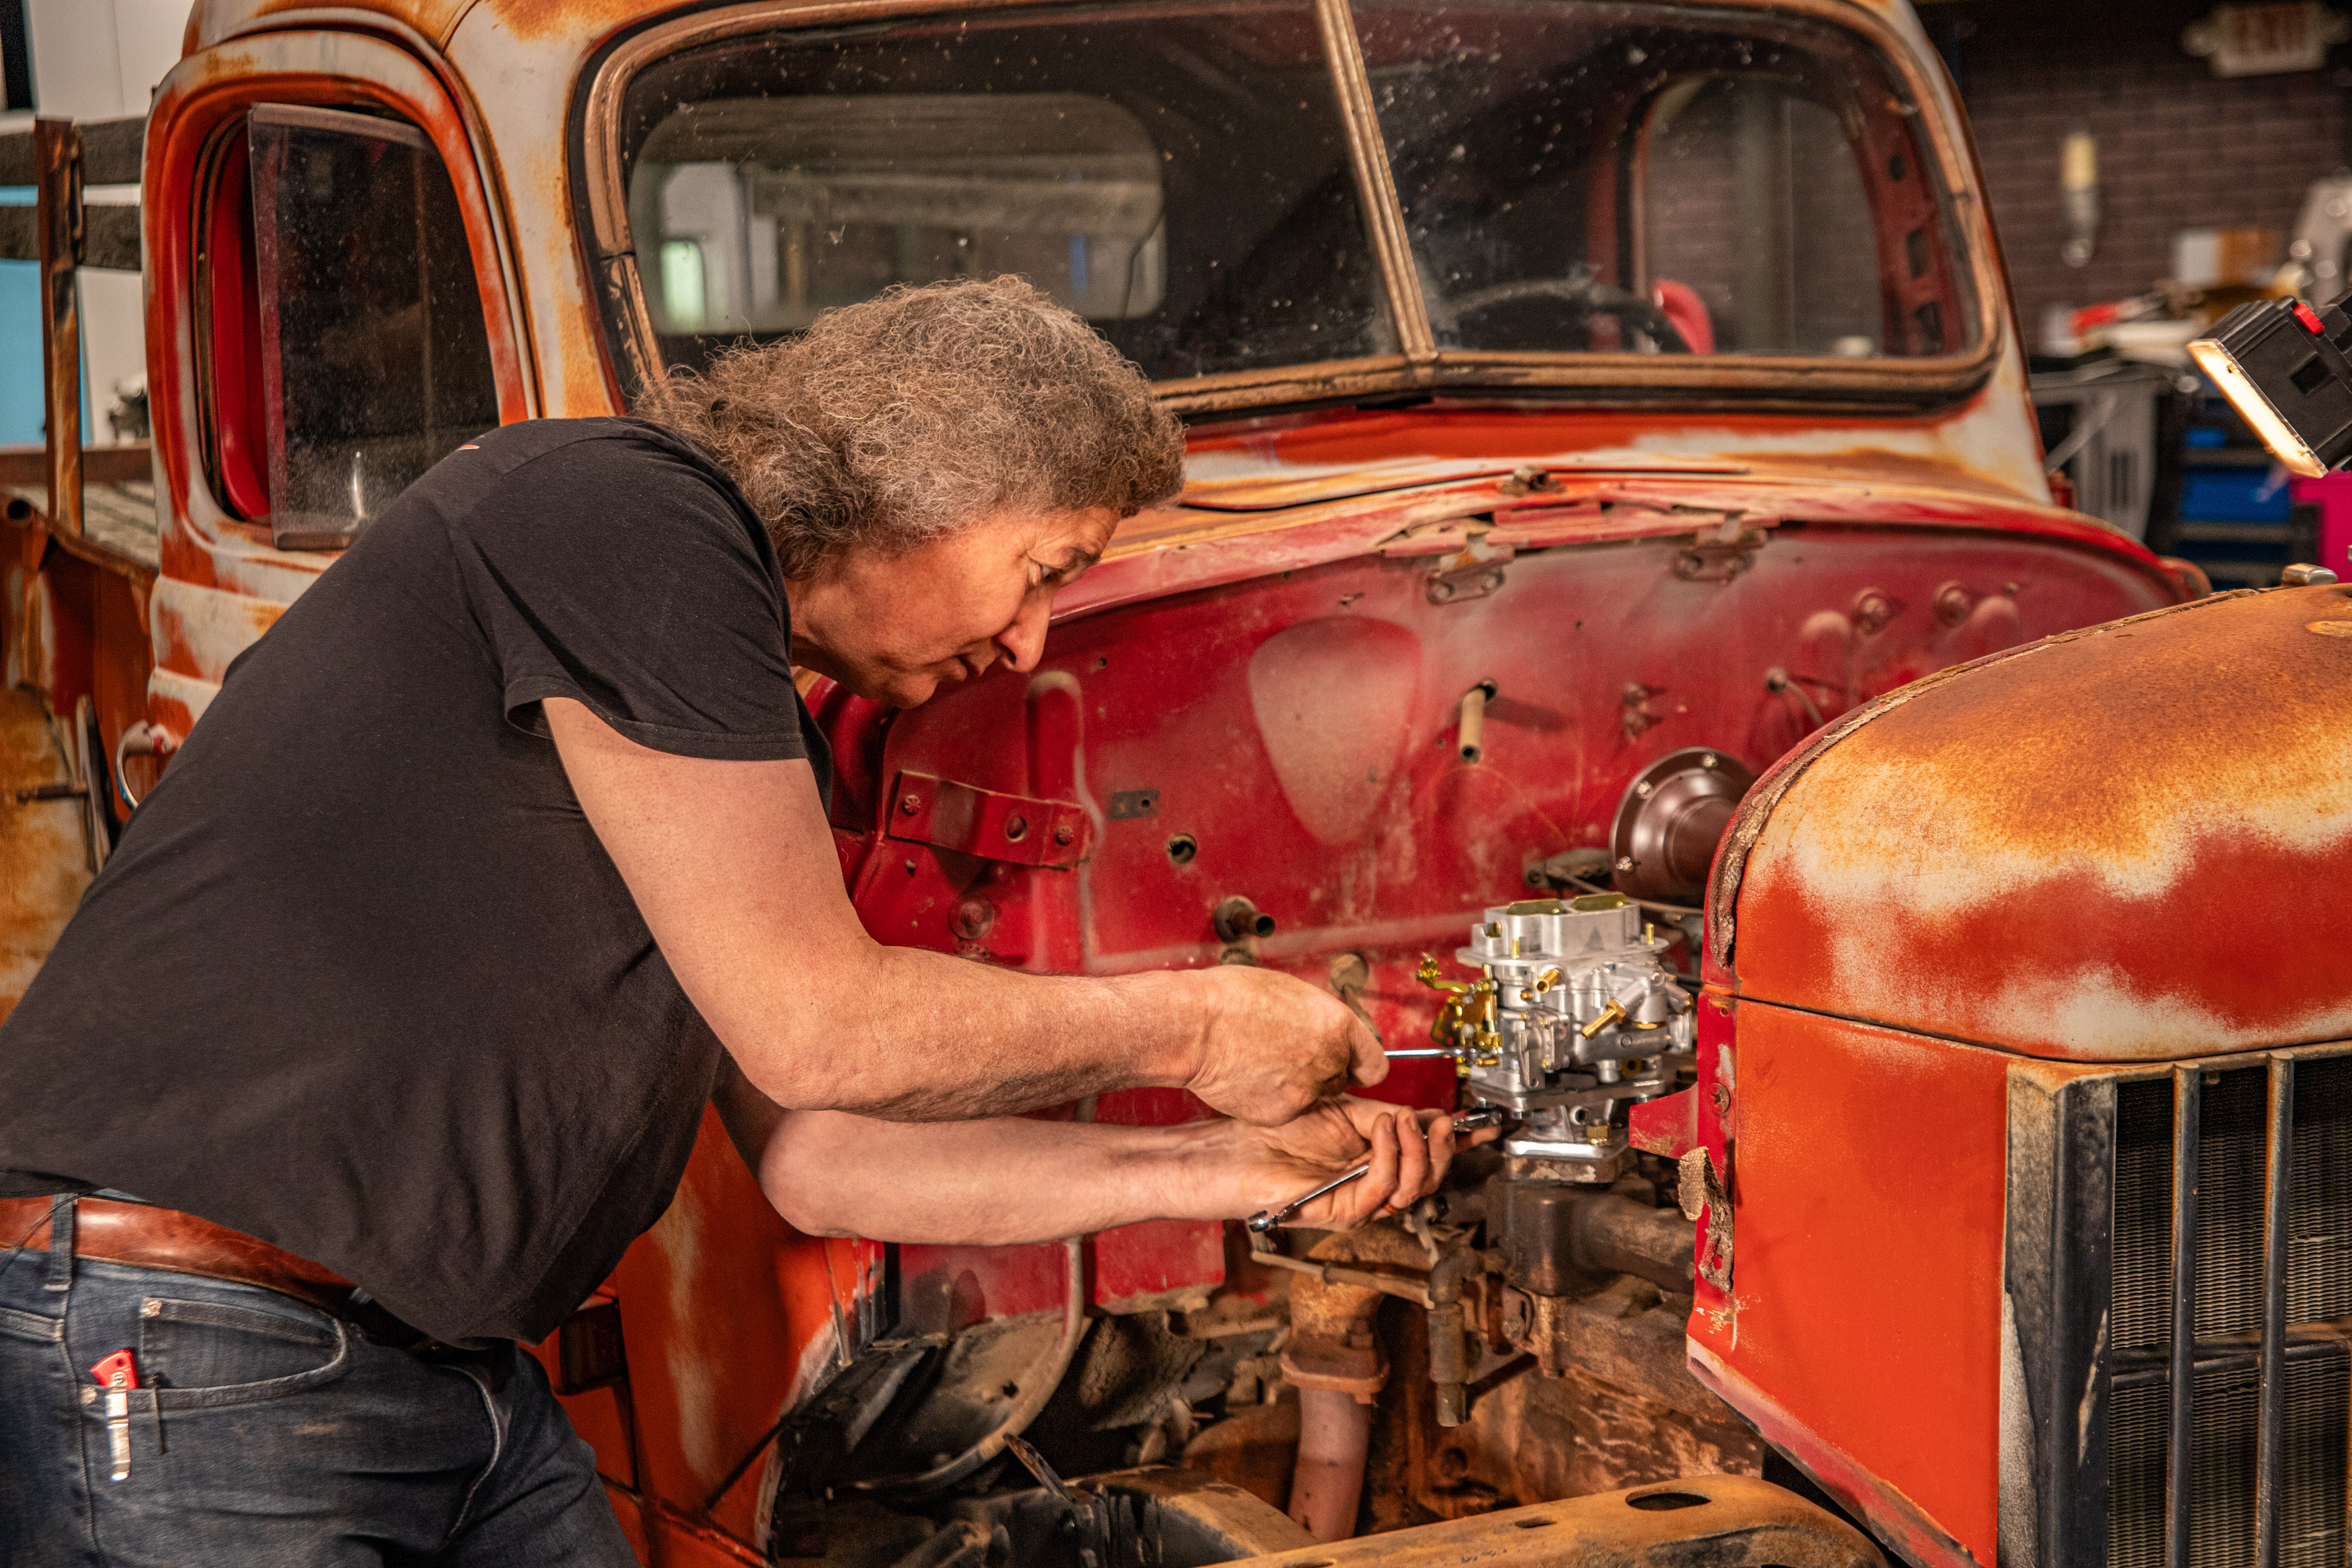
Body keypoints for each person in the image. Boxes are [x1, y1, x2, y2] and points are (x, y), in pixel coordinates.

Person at [0, 277, 1472, 1563]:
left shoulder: (727, 696)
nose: (1031, 641)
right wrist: (1205, 1018)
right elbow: (822, 1025)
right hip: (193, 1337)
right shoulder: (625, 513)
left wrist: (1228, 1163)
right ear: (925, 487)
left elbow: (822, 1157)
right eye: (1047, 571)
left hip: (428, 1373)